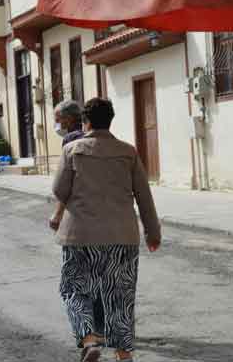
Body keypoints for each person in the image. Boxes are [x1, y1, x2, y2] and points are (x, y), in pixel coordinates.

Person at [52, 98, 161, 362]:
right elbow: (144, 196)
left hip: (80, 236)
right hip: (122, 236)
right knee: (120, 294)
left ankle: (89, 339)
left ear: (85, 122)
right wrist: (152, 232)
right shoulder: (129, 151)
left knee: (75, 289)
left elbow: (59, 190)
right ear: (110, 121)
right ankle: (123, 354)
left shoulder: (72, 150)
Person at [49, 100, 85, 230]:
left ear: (69, 119)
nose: (57, 125)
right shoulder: (89, 134)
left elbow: (65, 183)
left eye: (58, 120)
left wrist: (58, 214)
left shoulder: (70, 139)